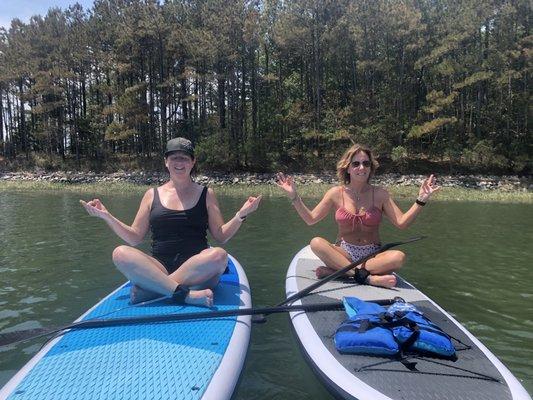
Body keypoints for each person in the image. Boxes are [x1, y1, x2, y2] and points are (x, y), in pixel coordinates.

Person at [81, 137, 261, 306]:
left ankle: (156, 290)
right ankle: (185, 295)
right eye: (174, 158)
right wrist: (107, 216)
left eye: (184, 158)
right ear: (166, 162)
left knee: (219, 255)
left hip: (198, 270)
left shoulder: (206, 194)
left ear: (192, 162)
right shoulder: (151, 194)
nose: (179, 163)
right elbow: (134, 238)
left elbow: (221, 236)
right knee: (120, 253)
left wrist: (241, 214)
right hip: (159, 267)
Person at [276, 143, 439, 288]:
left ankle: (340, 272)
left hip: (372, 256)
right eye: (356, 163)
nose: (361, 168)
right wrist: (293, 196)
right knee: (316, 243)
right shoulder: (335, 193)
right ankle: (365, 278)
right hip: (344, 253)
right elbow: (310, 219)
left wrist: (421, 200)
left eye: (366, 163)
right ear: (347, 168)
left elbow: (402, 223)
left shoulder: (380, 194)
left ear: (370, 167)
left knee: (399, 257)